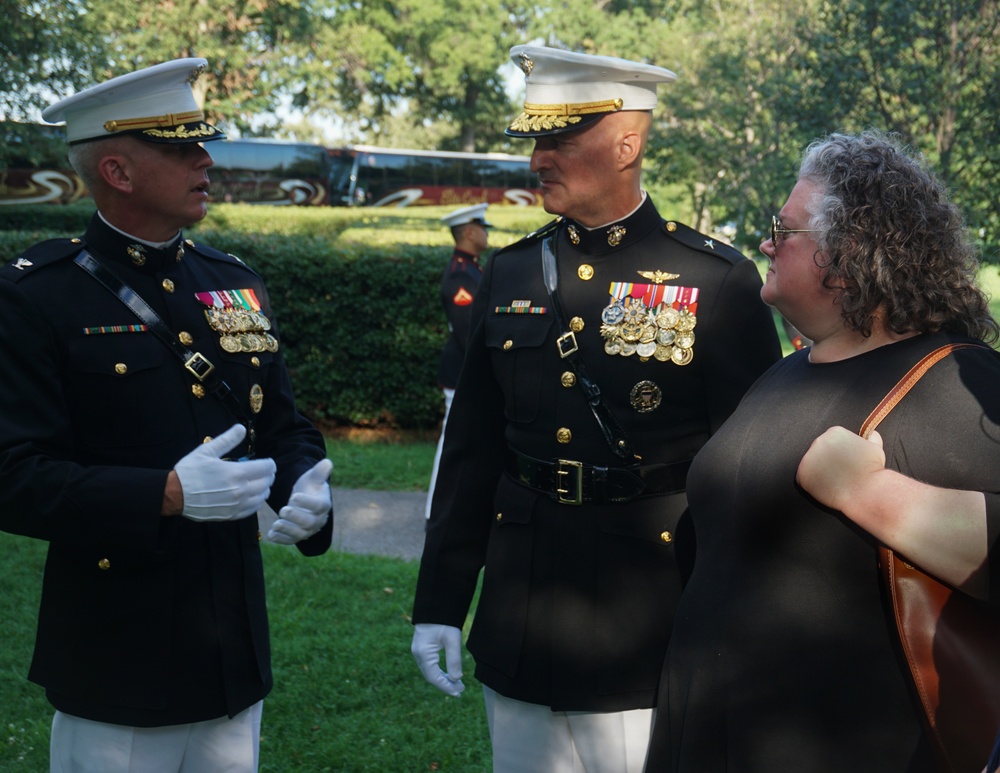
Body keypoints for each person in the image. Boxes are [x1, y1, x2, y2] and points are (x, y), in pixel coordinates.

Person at [410, 44, 782, 772]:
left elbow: (752, 475)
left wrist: (745, 623)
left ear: (627, 143)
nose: (537, 159)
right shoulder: (512, 269)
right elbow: (473, 450)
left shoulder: (715, 280)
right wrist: (440, 599)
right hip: (524, 607)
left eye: (559, 139)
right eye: (535, 140)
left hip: (648, 615)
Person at [0, 58, 334, 772]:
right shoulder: (36, 299)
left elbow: (280, 422)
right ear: (117, 171)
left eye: (201, 140)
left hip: (231, 654)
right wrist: (164, 495)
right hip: (116, 658)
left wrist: (307, 482)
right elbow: (12, 474)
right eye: (182, 146)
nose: (205, 158)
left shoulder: (232, 281)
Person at [645, 129, 1000, 771]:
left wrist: (872, 494)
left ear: (850, 252)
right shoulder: (788, 371)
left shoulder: (957, 382)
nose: (765, 245)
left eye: (784, 232)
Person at [424, 203, 492, 521]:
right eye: (482, 227)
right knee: (451, 441)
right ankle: (434, 510)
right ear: (468, 232)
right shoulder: (460, 276)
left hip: (465, 372)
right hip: (461, 373)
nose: (486, 232)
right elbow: (469, 334)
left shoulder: (473, 269)